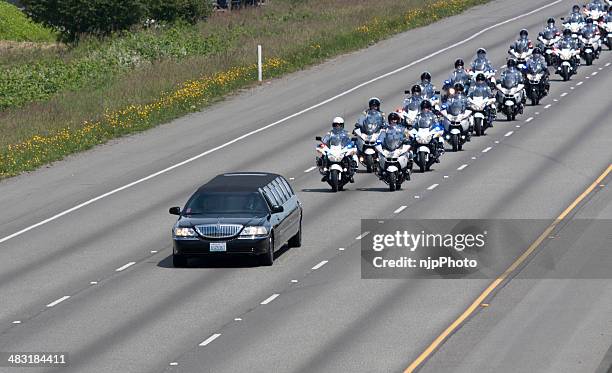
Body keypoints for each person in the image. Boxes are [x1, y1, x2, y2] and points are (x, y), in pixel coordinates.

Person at [319, 117, 357, 182]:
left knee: (352, 155)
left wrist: (351, 143)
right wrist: (323, 142)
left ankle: (351, 171)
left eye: (339, 125)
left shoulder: (346, 133)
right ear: (333, 125)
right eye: (336, 125)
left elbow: (349, 140)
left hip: (342, 148)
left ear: (342, 125)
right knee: (324, 155)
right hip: (333, 149)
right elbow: (325, 139)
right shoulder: (330, 133)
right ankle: (325, 171)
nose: (337, 127)